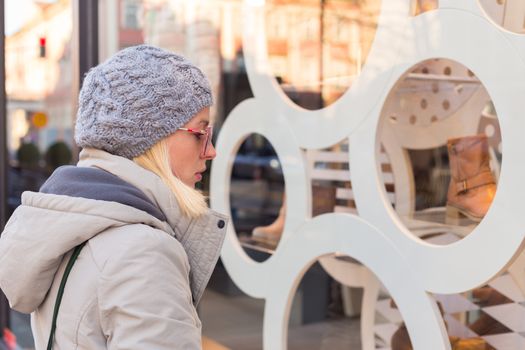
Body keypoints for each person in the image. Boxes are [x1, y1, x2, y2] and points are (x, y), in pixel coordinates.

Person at [0, 45, 228, 349]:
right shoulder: (143, 252)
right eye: (200, 133)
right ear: (151, 138)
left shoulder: (72, 223)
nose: (210, 150)